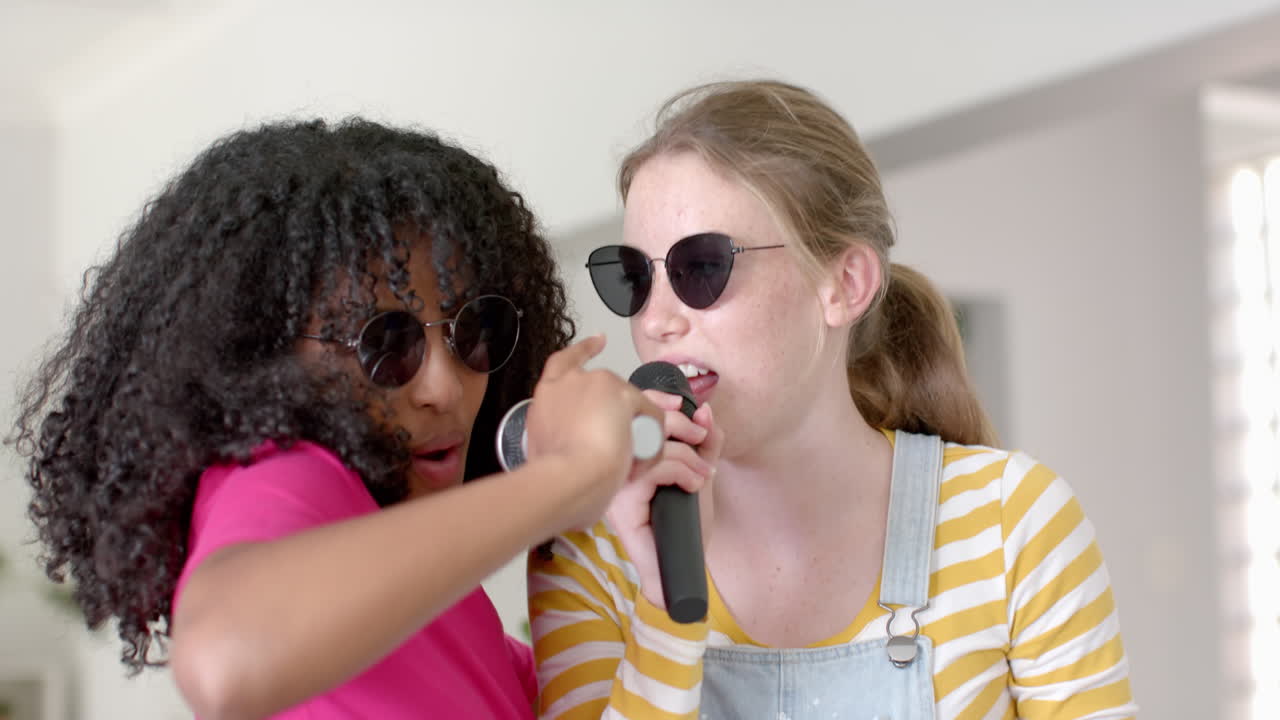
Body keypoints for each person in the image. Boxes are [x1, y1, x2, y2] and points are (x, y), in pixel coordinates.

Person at [10, 118, 675, 719]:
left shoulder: (444, 613)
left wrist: (658, 586)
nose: (444, 387)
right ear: (264, 358)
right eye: (386, 345)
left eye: (474, 331)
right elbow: (224, 658)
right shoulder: (287, 473)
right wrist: (571, 476)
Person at [529, 80, 1138, 719]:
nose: (656, 320)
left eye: (701, 268)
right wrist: (665, 605)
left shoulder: (1017, 525)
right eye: (634, 276)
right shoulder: (590, 551)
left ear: (845, 284)